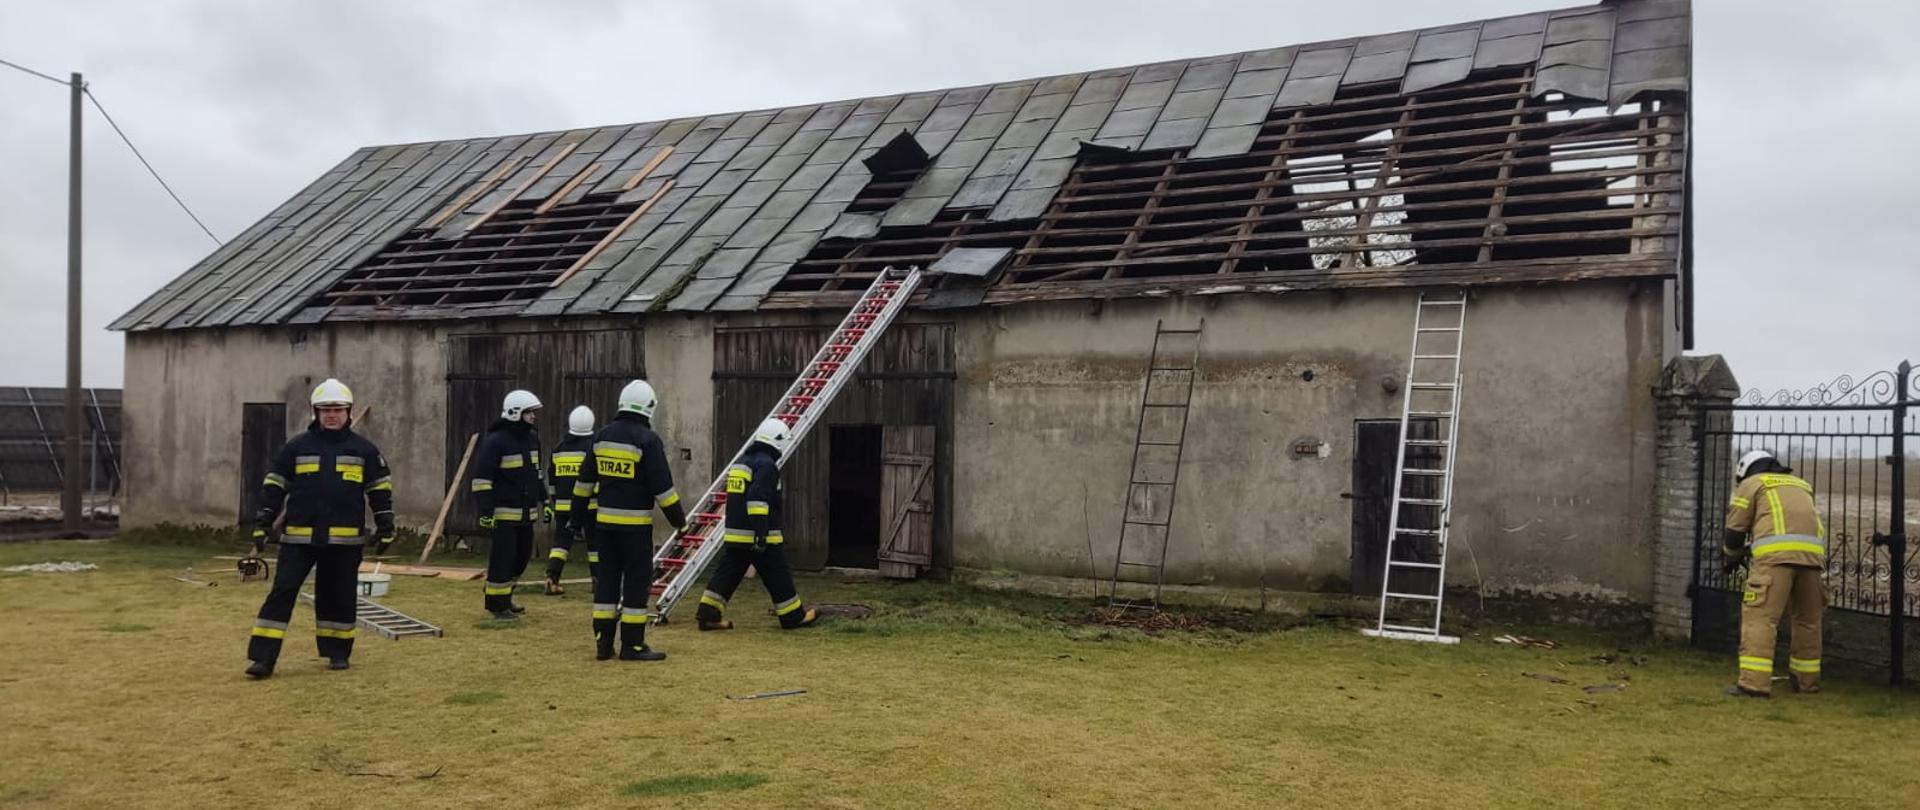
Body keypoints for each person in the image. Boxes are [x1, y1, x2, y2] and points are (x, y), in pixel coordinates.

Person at [244, 378, 395, 679]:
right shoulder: (296, 448)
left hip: (344, 541)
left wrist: (386, 526)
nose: (331, 415)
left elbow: (380, 491)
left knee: (337, 596)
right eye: (325, 409)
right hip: (298, 539)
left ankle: (337, 652)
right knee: (282, 593)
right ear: (314, 412)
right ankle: (263, 659)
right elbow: (274, 486)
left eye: (338, 409)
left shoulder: (364, 450)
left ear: (349, 412)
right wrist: (262, 522)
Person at [569, 380, 686, 661]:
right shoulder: (648, 440)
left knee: (606, 582)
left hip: (604, 528)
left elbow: (583, 484)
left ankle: (603, 644)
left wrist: (574, 519)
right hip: (635, 531)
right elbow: (663, 490)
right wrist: (679, 523)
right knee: (635, 584)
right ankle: (632, 645)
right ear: (648, 408)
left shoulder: (601, 437)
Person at [694, 417, 820, 632]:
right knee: (778, 574)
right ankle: (793, 616)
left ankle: (707, 615)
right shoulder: (766, 465)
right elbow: (757, 499)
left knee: (727, 574)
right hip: (760, 535)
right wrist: (761, 534)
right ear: (778, 441)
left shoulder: (742, 462)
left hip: (736, 535)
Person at [1722, 450, 1828, 698]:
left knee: (1760, 618)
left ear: (1745, 471)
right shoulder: (1801, 485)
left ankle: (1753, 684)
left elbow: (1735, 531)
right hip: (1812, 560)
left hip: (1775, 562)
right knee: (1808, 621)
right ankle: (1806, 682)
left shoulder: (1752, 484)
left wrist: (1731, 556)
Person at [472, 389, 547, 620]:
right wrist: (486, 512)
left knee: (521, 558)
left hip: (526, 514)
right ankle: (496, 605)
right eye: (529, 412)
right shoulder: (496, 442)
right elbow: (482, 480)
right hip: (504, 514)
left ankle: (506, 597)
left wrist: (545, 501)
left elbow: (537, 475)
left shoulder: (532, 439)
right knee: (503, 560)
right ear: (515, 413)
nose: (533, 417)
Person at [544, 405, 599, 595]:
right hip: (590, 505)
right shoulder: (593, 448)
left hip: (563, 506)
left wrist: (554, 501)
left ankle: (552, 578)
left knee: (560, 544)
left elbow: (551, 480)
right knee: (595, 545)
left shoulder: (559, 449)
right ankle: (598, 582)